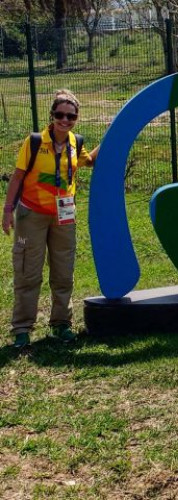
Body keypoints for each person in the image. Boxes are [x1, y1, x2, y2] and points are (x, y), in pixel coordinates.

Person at [2, 89, 99, 348]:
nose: (65, 120)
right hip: (31, 215)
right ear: (52, 115)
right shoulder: (34, 142)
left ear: (77, 118)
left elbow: (89, 161)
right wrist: (8, 210)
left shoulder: (75, 143)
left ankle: (61, 323)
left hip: (64, 216)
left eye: (71, 116)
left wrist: (115, 134)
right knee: (28, 272)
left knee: (63, 272)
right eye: (60, 115)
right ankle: (22, 328)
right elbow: (18, 177)